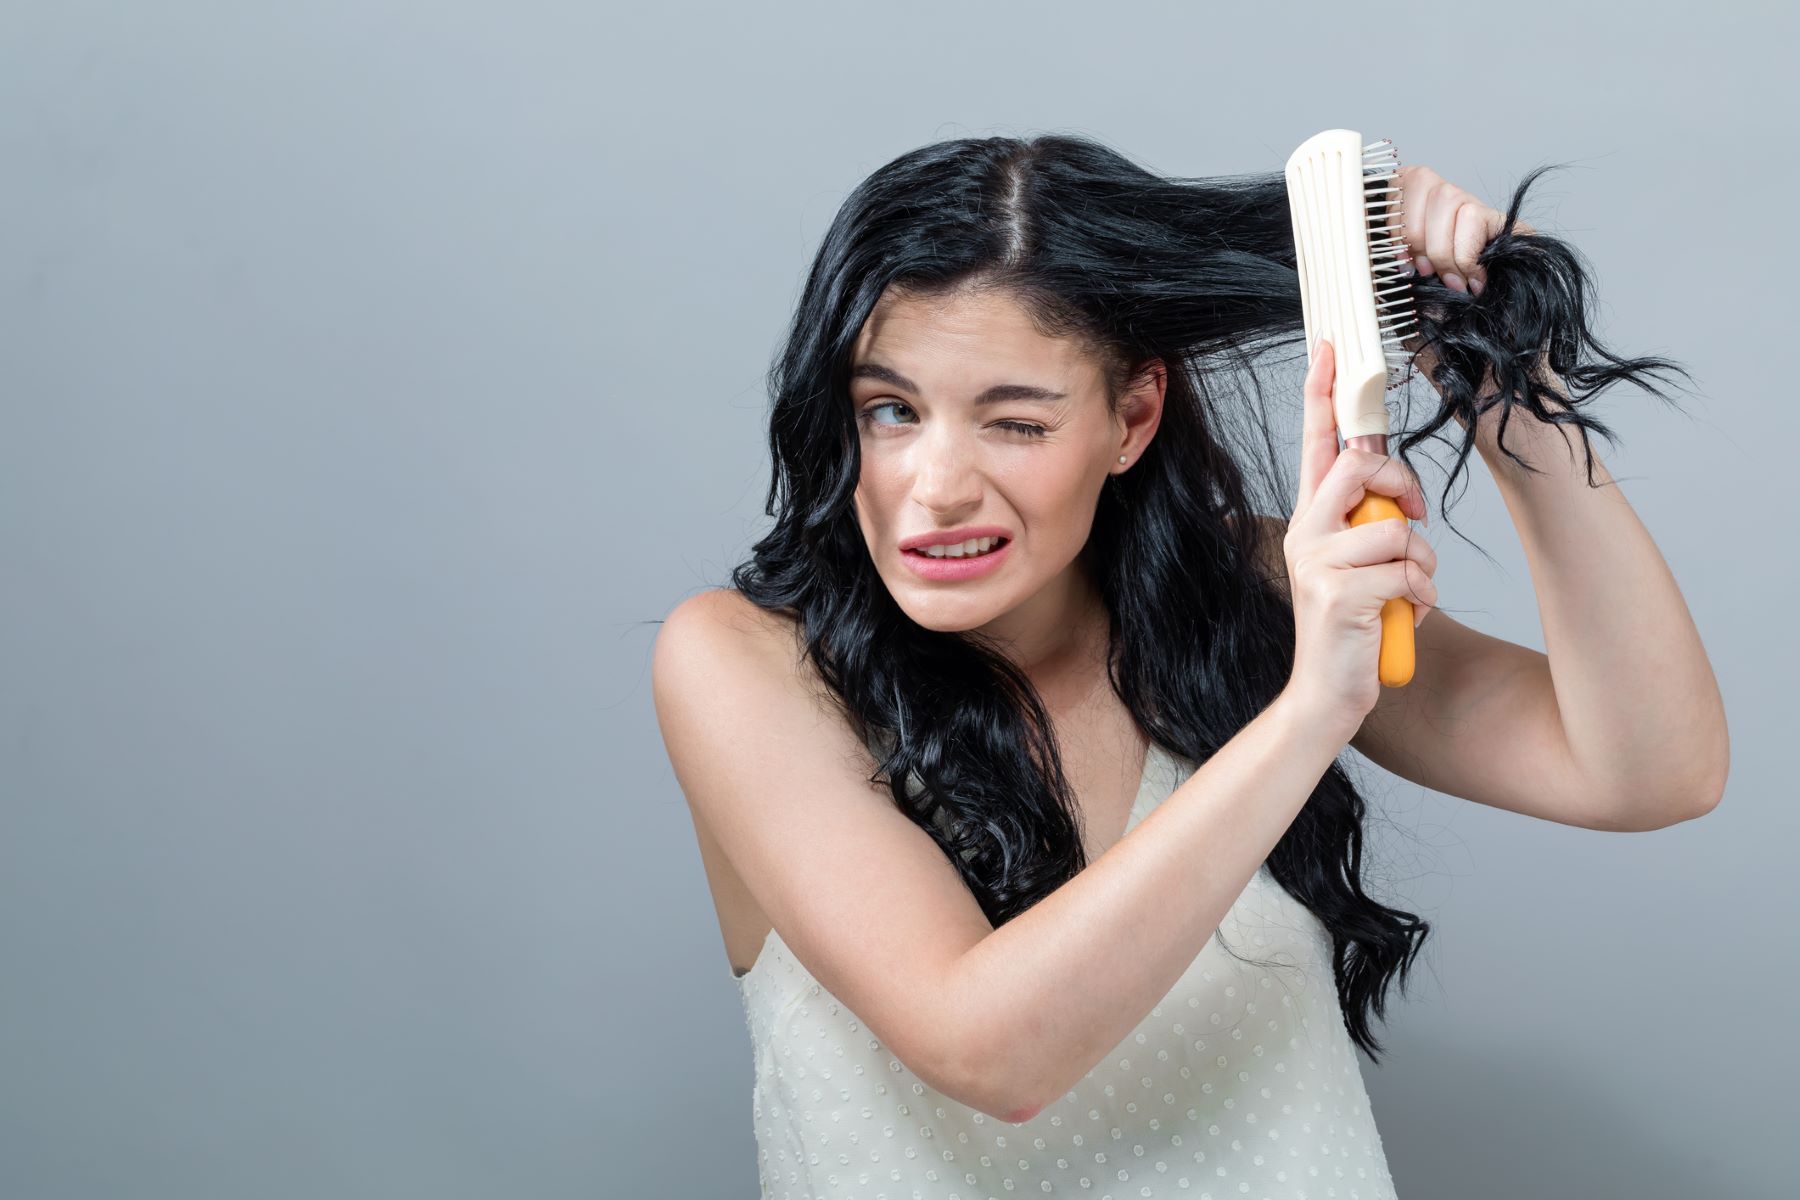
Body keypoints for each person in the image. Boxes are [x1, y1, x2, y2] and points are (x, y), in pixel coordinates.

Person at [651, 134, 1727, 1199]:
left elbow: (1650, 769)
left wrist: (1506, 383)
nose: (934, 488)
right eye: (891, 411)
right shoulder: (747, 668)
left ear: (1132, 417)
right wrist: (1312, 709)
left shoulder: (1255, 594)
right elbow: (992, 1052)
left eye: (1015, 422)